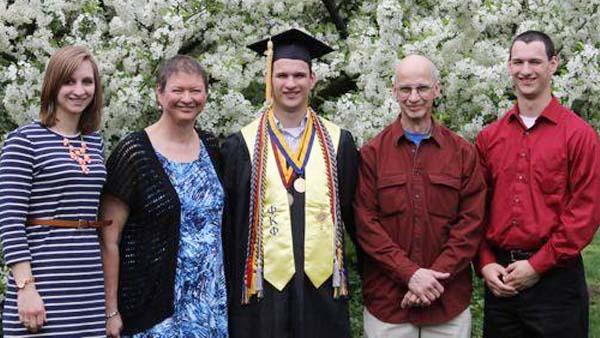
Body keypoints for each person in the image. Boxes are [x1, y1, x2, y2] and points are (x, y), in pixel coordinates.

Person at [221, 28, 359, 338]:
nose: (291, 83)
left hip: (322, 290)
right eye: (282, 75)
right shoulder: (241, 146)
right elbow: (229, 228)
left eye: (299, 75)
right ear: (269, 79)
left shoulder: (339, 144)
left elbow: (357, 220)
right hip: (262, 296)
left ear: (313, 79)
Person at [476, 30, 600, 338]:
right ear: (509, 66)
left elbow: (584, 214)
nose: (526, 70)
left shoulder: (579, 136)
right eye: (518, 62)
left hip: (556, 282)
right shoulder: (489, 137)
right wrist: (485, 263)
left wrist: (536, 266)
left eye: (535, 61)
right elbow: (474, 208)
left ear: (553, 64)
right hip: (500, 282)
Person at [354, 55, 486, 338]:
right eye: (405, 89)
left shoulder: (463, 153)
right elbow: (366, 226)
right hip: (389, 305)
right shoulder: (372, 155)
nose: (414, 97)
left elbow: (471, 225)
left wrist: (431, 279)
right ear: (394, 92)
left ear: (437, 89)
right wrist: (410, 274)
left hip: (447, 302)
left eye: (422, 88)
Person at [100, 55, 228, 337]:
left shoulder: (211, 146)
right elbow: (109, 239)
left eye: (196, 90)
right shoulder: (134, 153)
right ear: (159, 93)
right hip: (155, 310)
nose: (187, 98)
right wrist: (111, 310)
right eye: (177, 90)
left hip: (210, 304)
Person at [0, 45, 109, 337]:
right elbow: (10, 222)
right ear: (52, 85)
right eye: (68, 81)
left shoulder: (94, 143)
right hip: (42, 284)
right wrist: (26, 289)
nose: (79, 90)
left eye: (87, 82)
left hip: (87, 284)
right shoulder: (24, 141)